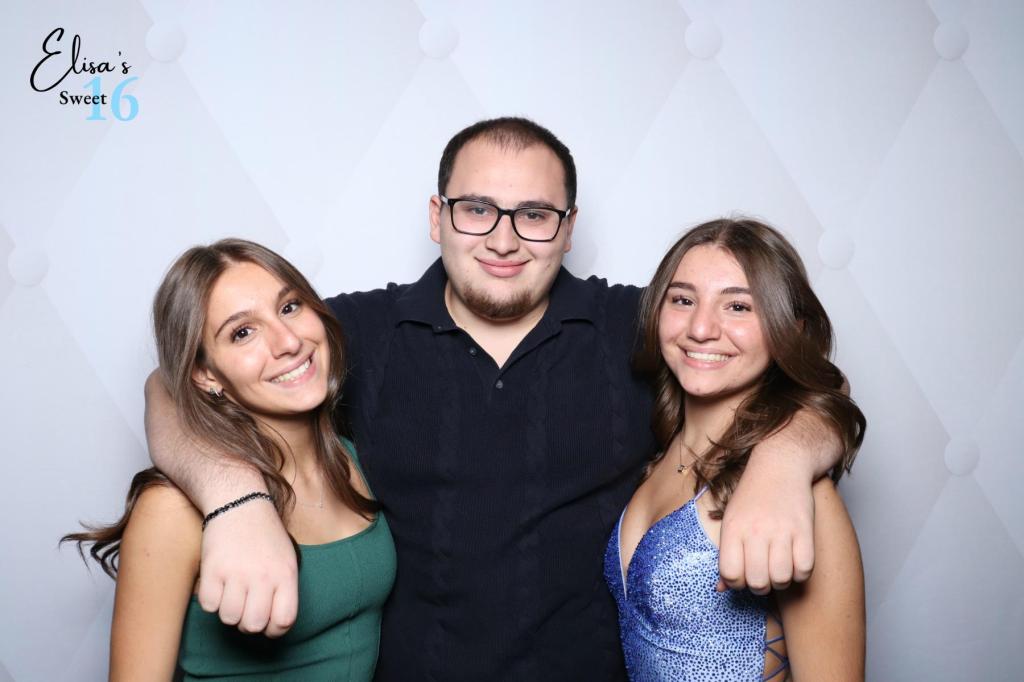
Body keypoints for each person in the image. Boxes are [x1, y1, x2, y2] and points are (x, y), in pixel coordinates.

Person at [146, 118, 847, 680]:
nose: (504, 240)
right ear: (437, 216)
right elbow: (174, 383)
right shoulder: (356, 333)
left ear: (568, 227)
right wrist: (234, 497)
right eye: (477, 209)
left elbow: (798, 378)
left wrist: (785, 461)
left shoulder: (638, 326)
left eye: (534, 215)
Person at [64, 239, 396, 680]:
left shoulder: (353, 458)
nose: (288, 341)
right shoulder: (173, 509)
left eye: (290, 307)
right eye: (243, 333)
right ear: (206, 375)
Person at [605, 218, 865, 680]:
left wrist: (785, 461)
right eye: (683, 300)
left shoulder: (796, 497)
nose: (701, 328)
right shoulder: (659, 454)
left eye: (738, 306)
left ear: (789, 329)